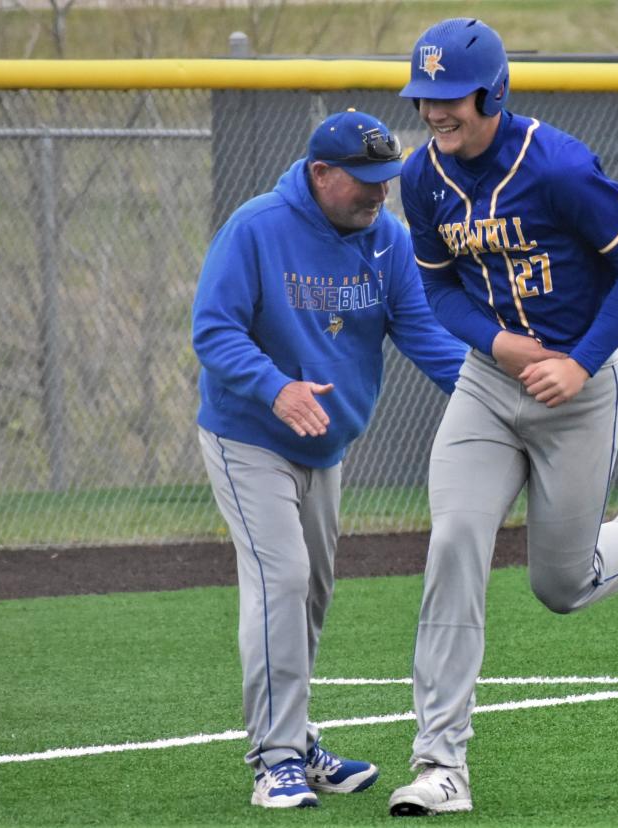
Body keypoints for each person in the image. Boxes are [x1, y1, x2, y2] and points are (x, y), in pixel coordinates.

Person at [386, 18, 618, 816]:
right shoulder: (421, 178)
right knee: (455, 541)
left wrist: (577, 362)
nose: (435, 111)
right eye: (423, 95)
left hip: (578, 390)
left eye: (450, 97)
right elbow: (437, 291)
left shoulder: (560, 167)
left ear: (492, 92)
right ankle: (440, 764)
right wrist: (499, 343)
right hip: (488, 386)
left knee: (562, 585)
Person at [192, 108, 466, 810]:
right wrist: (276, 388)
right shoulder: (256, 229)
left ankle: (296, 736)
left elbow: (425, 338)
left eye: (386, 181)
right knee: (280, 578)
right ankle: (275, 758)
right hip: (249, 435)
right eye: (365, 182)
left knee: (310, 592)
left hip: (326, 444)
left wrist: (496, 397)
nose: (380, 194)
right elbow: (213, 332)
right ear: (320, 174)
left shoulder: (389, 240)